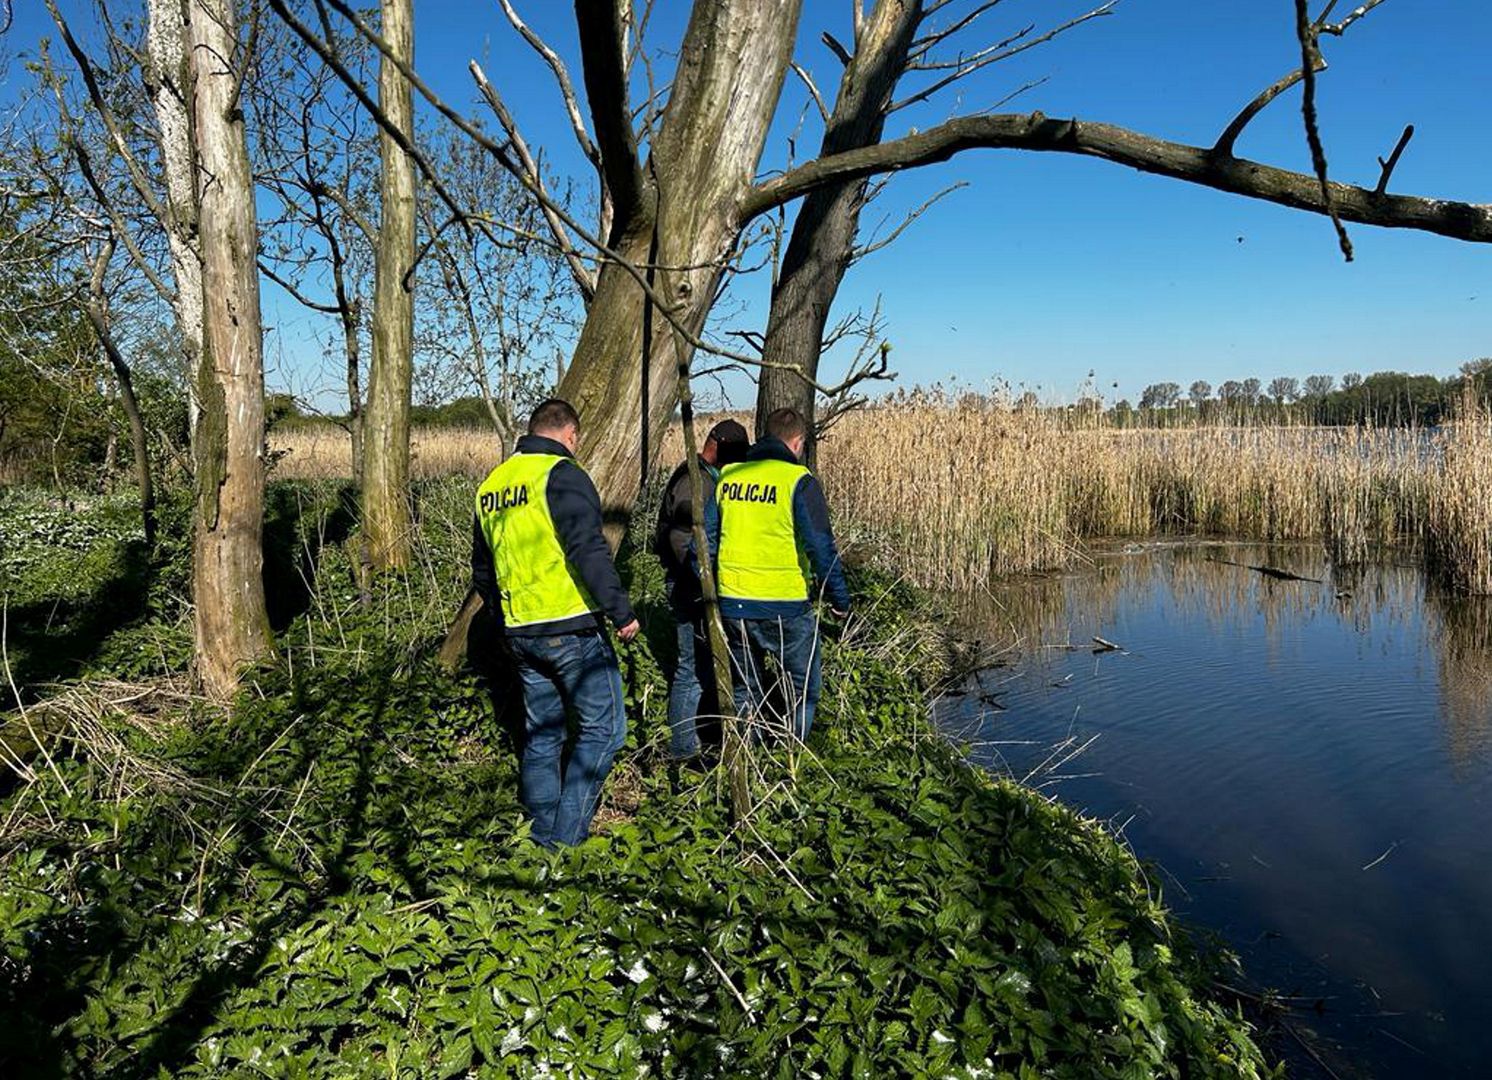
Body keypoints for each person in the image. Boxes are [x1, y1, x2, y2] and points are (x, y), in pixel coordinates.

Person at [471, 398, 640, 848]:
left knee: (543, 735)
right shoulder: (563, 476)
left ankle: (540, 835)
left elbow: (482, 571)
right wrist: (621, 612)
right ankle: (563, 843)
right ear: (569, 434)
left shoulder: (493, 484)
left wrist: (504, 616)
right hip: (570, 629)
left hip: (520, 632)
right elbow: (588, 550)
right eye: (575, 440)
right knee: (605, 731)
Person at [704, 407, 851, 742]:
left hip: (733, 603)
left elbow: (706, 540)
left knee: (746, 690)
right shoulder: (798, 481)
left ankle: (746, 765)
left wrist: (712, 586)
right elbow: (820, 546)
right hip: (785, 605)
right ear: (797, 443)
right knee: (802, 692)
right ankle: (790, 764)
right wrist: (839, 600)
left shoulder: (729, 477)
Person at [653, 418, 749, 761]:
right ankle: (683, 750)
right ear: (716, 444)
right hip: (689, 586)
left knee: (703, 668)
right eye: (733, 454)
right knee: (691, 671)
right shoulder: (695, 481)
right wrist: (701, 579)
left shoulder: (707, 477)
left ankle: (701, 740)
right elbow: (682, 536)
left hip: (694, 585)